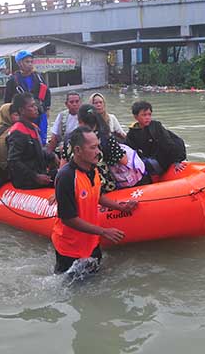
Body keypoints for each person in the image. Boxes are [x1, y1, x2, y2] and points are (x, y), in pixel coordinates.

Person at [51, 126, 138, 275]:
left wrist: (120, 207)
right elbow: (68, 218)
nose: (98, 151)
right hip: (69, 249)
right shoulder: (66, 177)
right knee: (70, 291)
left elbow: (97, 195)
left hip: (91, 242)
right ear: (78, 150)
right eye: (93, 147)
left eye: (98, 146)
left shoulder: (93, 169)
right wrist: (104, 231)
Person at [7, 93, 57, 189]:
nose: (36, 108)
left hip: (38, 172)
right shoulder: (17, 132)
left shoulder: (32, 127)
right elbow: (13, 161)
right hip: (26, 180)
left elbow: (37, 150)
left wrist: (52, 155)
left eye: (35, 105)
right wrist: (35, 177)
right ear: (21, 110)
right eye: (32, 106)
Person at [126, 101, 186, 179]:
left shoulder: (156, 126)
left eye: (149, 114)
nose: (147, 117)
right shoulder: (132, 133)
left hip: (163, 159)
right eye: (144, 115)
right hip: (150, 158)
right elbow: (131, 151)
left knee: (147, 164)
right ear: (136, 117)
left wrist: (176, 161)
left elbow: (170, 142)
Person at [3, 50, 51, 145]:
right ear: (20, 63)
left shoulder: (38, 77)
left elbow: (47, 93)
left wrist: (47, 109)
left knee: (42, 139)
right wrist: (12, 114)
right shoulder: (12, 81)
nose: (30, 64)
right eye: (27, 62)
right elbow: (7, 101)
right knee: (26, 139)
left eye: (31, 61)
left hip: (39, 113)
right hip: (23, 116)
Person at [78, 104, 128, 191]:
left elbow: (62, 167)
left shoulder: (71, 139)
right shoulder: (106, 137)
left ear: (79, 121)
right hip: (103, 186)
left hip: (78, 185)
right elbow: (124, 161)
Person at [47, 92, 82, 160]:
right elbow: (54, 136)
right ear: (66, 104)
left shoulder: (85, 115)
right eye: (71, 102)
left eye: (77, 101)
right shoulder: (61, 115)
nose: (74, 104)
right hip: (63, 146)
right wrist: (50, 155)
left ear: (80, 103)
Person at [0, 103, 19, 180]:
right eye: (16, 115)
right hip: (6, 171)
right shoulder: (11, 132)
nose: (19, 117)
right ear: (7, 116)